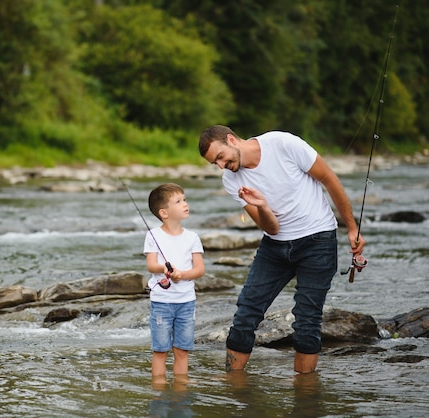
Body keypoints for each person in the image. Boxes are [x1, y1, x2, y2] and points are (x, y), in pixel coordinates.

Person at [198, 125, 365, 374]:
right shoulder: (231, 180)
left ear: (231, 140)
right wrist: (263, 206)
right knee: (246, 314)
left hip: (318, 241)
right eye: (215, 163)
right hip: (274, 248)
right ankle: (233, 389)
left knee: (307, 322)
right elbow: (272, 228)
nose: (221, 166)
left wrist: (352, 228)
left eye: (221, 157)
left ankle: (305, 396)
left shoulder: (282, 143)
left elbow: (329, 178)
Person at [144, 183, 205, 383]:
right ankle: (159, 393)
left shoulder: (192, 237)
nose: (185, 204)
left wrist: (182, 275)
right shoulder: (153, 235)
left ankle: (180, 390)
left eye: (184, 199)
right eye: (178, 201)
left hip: (186, 303)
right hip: (161, 302)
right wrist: (164, 269)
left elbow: (199, 269)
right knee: (160, 350)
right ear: (164, 212)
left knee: (182, 350)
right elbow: (151, 265)